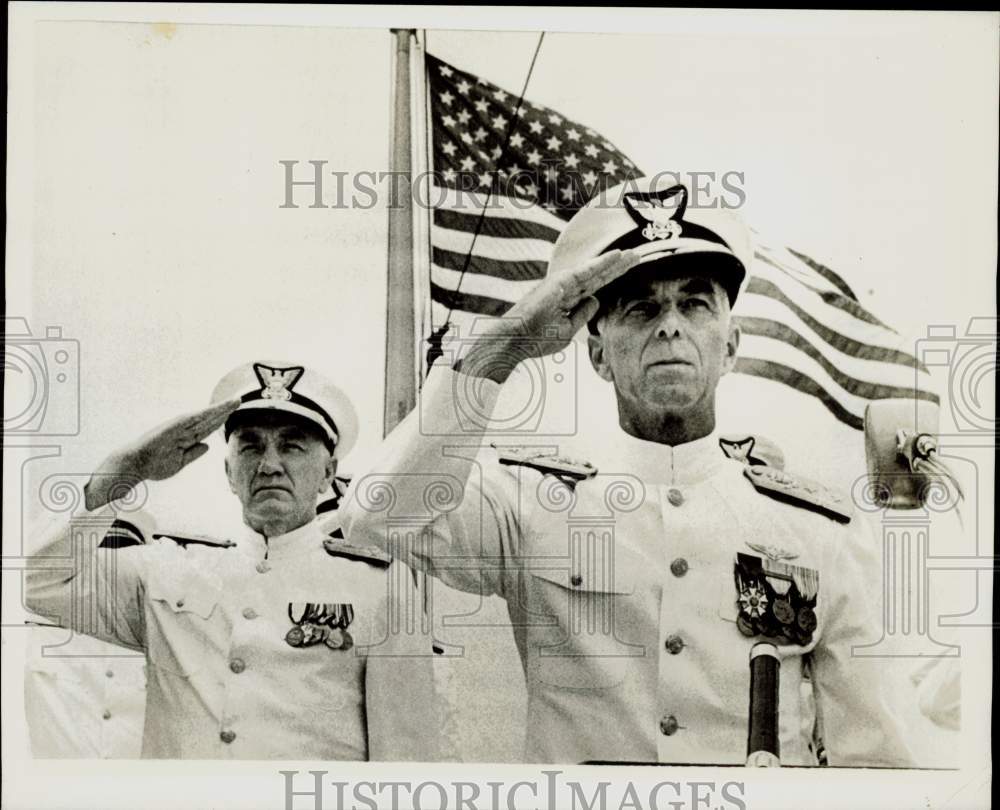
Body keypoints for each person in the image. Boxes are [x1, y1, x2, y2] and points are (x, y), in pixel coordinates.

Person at [343, 178, 918, 765]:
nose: (669, 326)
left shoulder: (823, 531)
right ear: (597, 354)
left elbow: (876, 756)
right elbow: (373, 519)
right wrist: (503, 347)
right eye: (641, 308)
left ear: (731, 345)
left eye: (694, 304)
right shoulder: (529, 503)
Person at [25, 361, 439, 760]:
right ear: (228, 471)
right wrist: (127, 470)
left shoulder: (380, 586)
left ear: (329, 472)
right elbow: (39, 585)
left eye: (292, 446)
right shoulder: (166, 570)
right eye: (251, 446)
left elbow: (405, 756)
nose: (269, 465)